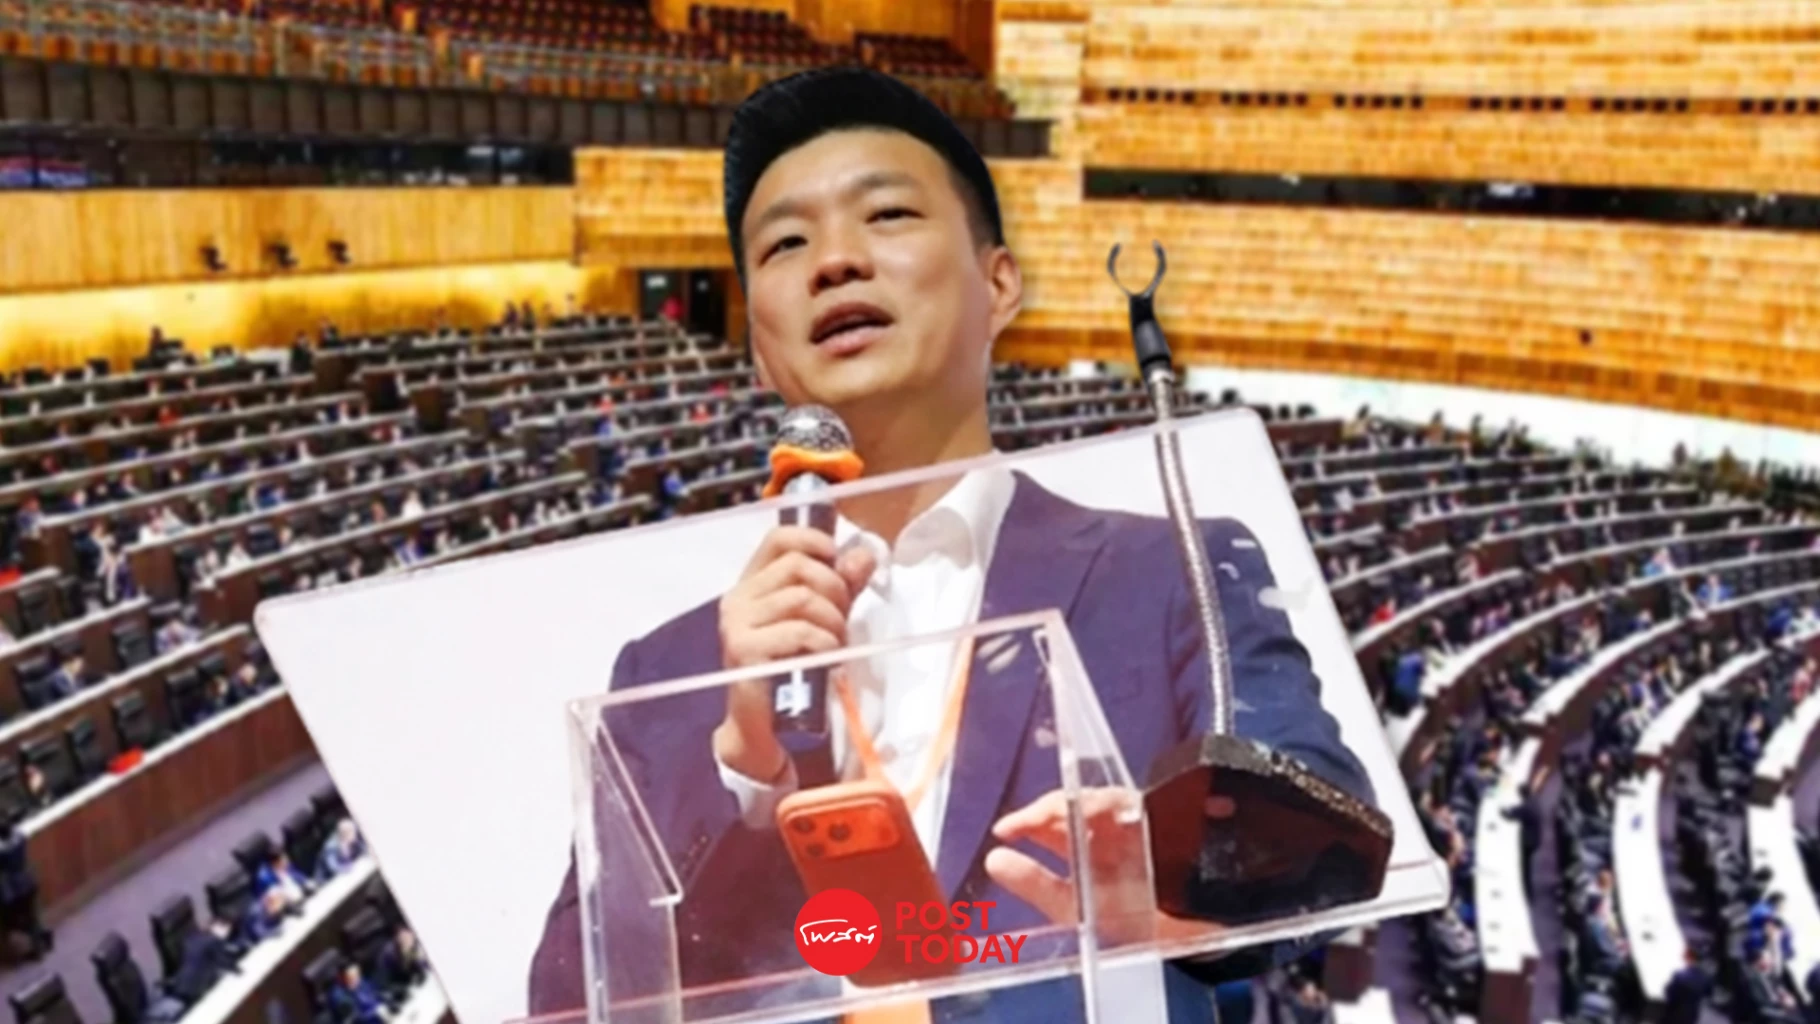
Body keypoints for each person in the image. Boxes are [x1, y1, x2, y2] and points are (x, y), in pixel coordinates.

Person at [527, 67, 1374, 1022]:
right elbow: (564, 998)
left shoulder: (1170, 573)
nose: (833, 262)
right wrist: (742, 765)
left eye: (886, 215)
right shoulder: (668, 675)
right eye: (786, 243)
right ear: (761, 348)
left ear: (998, 283)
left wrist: (1184, 893)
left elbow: (1321, 831)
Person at [0, 823, 50, 960]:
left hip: (14, 888)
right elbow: (19, 832)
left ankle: (36, 946)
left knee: (20, 919)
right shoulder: (20, 839)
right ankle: (41, 942)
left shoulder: (3, 851)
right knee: (32, 916)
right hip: (28, 880)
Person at [166, 916, 239, 1005]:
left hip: (181, 986)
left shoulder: (193, 938)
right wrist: (238, 971)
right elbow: (223, 960)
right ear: (216, 926)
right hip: (197, 988)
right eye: (225, 929)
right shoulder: (212, 940)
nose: (226, 933)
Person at [377, 925, 431, 1000]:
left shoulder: (412, 946)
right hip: (395, 976)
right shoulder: (390, 951)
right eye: (401, 937)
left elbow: (419, 962)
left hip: (406, 973)